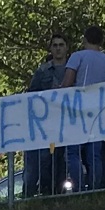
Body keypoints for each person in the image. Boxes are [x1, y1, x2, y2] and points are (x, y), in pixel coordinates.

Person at [60, 26, 105, 191]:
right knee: (95, 154)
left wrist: (59, 88)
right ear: (101, 41)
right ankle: (95, 189)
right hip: (99, 111)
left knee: (73, 153)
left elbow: (68, 82)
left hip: (77, 110)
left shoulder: (77, 56)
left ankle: (79, 189)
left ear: (84, 39)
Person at [24, 35, 70, 196]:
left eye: (61, 44)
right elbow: (32, 94)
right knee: (45, 159)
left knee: (63, 159)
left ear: (66, 48)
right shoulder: (42, 71)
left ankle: (60, 191)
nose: (58, 48)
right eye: (55, 45)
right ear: (51, 48)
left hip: (67, 122)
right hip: (46, 123)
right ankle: (46, 190)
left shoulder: (73, 69)